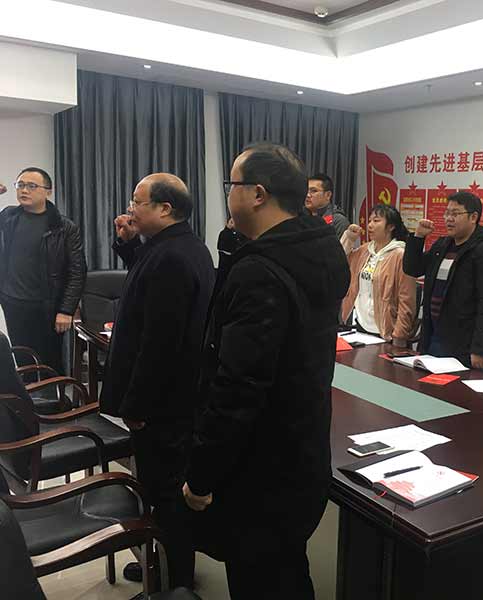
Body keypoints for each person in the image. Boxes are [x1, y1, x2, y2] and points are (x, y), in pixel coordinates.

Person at [182, 143, 350, 599]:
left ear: (257, 194)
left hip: (259, 470)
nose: (228, 194)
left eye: (231, 184)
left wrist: (202, 474)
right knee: (287, 571)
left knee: (261, 579)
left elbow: (238, 388)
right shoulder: (320, 249)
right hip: (302, 452)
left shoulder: (260, 272)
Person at [99, 173, 215, 589]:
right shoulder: (175, 247)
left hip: (163, 406)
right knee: (160, 492)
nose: (130, 208)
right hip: (171, 401)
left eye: (138, 201)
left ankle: (174, 581)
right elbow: (145, 283)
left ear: (165, 208)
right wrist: (130, 245)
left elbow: (159, 344)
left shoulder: (172, 257)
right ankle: (163, 565)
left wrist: (137, 406)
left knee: (166, 495)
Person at [403, 191, 483, 372]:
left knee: (457, 389)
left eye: (455, 214)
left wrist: (479, 348)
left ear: (473, 217)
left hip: (463, 343)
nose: (449, 219)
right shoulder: (443, 246)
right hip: (433, 335)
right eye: (447, 213)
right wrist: (418, 238)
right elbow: (413, 269)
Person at [0, 167, 86, 373]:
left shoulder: (64, 227)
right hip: (13, 301)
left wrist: (66, 310)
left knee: (50, 361)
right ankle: (28, 393)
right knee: (22, 358)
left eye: (31, 186)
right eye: (20, 185)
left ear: (48, 191)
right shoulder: (8, 216)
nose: (24, 190)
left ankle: (56, 394)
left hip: (47, 306)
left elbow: (77, 271)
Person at [340, 204, 417, 347]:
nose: (370, 225)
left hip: (385, 331)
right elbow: (339, 261)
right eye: (369, 221)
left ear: (391, 226)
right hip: (361, 326)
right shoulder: (365, 250)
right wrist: (349, 238)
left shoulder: (400, 255)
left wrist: (399, 335)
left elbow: (406, 299)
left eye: (376, 221)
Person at [306, 173, 350, 239]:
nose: (308, 195)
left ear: (328, 195)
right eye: (306, 190)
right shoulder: (301, 217)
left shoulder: (338, 221)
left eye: (314, 191)